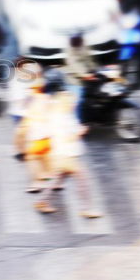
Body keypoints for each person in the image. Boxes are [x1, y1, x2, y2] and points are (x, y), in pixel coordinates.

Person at [33, 71, 101, 218]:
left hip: (59, 151)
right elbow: (68, 133)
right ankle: (86, 209)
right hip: (65, 152)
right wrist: (80, 131)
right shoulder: (61, 109)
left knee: (58, 177)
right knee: (82, 177)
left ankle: (42, 201)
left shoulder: (53, 103)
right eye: (70, 101)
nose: (73, 103)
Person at [20, 76, 53, 193]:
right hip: (49, 136)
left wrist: (22, 136)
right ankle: (50, 177)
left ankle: (36, 183)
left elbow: (26, 121)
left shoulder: (31, 101)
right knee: (45, 157)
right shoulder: (49, 99)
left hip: (36, 136)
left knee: (31, 158)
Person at [8, 58, 40, 161]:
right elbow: (18, 98)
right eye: (24, 67)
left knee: (24, 132)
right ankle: (19, 152)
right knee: (20, 133)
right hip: (19, 111)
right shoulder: (16, 81)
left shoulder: (26, 77)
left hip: (25, 111)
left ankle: (23, 151)